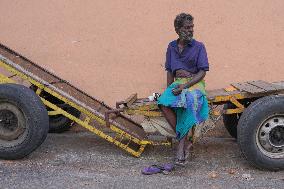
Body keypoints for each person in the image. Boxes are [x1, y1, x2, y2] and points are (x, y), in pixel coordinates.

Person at [157, 13, 209, 166]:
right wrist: (169, 90)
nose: (190, 30)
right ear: (177, 29)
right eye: (186, 28)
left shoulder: (199, 46)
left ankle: (180, 146)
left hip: (194, 83)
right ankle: (185, 142)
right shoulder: (171, 46)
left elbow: (202, 72)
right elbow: (169, 70)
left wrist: (185, 86)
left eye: (192, 27)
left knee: (189, 100)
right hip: (177, 83)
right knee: (163, 102)